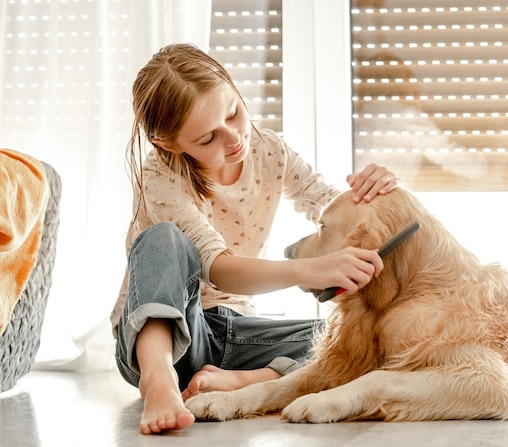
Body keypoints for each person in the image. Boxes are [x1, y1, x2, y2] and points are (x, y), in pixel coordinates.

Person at [110, 43, 401, 435]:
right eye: (208, 137)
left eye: (233, 113)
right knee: (163, 239)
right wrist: (310, 270)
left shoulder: (270, 151)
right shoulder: (160, 178)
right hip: (174, 338)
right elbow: (220, 270)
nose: (232, 139)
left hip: (237, 335)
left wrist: (374, 191)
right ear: (169, 144)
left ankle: (248, 380)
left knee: (351, 338)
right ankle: (158, 379)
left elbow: (329, 205)